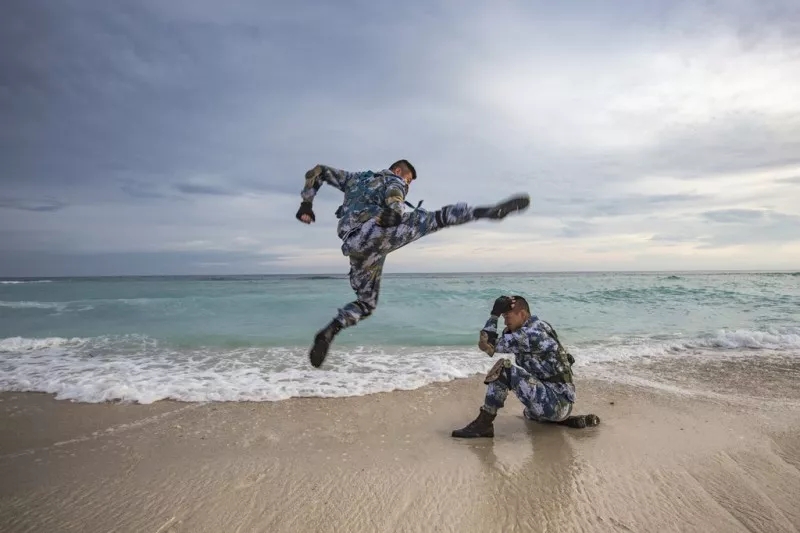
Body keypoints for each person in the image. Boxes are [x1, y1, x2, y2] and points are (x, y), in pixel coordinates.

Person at [295, 160, 530, 368]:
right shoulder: (393, 179)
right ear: (398, 170)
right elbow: (395, 193)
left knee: (366, 303)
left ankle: (329, 331)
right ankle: (486, 212)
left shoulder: (354, 179)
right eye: (408, 180)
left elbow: (318, 171)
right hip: (376, 230)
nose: (407, 185)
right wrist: (396, 211)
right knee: (434, 219)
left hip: (356, 248)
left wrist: (306, 204)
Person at [452, 295, 600, 438]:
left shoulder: (530, 334)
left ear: (522, 314)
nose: (505, 323)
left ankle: (483, 425)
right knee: (528, 413)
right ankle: (563, 420)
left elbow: (487, 344)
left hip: (557, 402)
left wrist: (494, 314)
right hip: (558, 400)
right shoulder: (540, 325)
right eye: (503, 318)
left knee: (504, 368)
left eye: (507, 317)